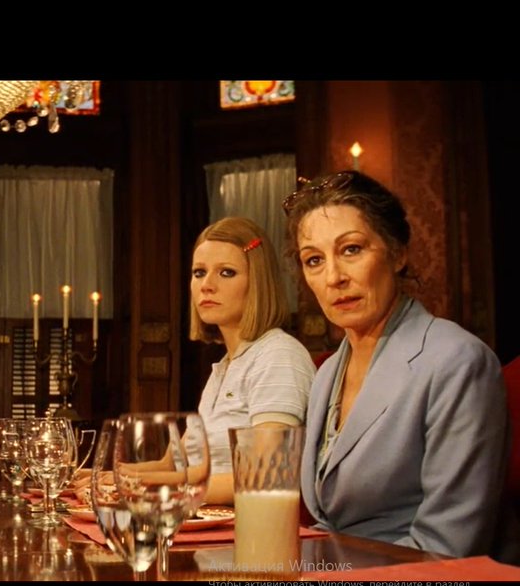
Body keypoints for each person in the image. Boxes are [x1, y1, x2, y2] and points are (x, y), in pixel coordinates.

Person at [284, 169, 518, 560]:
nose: (333, 277)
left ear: (397, 253)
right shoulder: (325, 374)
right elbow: (329, 526)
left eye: (351, 250)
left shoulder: (457, 361)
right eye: (314, 260)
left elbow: (446, 548)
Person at [75, 217, 314, 506]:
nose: (207, 285)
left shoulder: (278, 356)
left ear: (258, 283)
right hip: (204, 518)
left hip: (247, 527)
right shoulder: (226, 366)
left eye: (226, 272)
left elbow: (267, 476)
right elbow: (173, 466)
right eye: (199, 273)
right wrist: (107, 476)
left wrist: (139, 487)